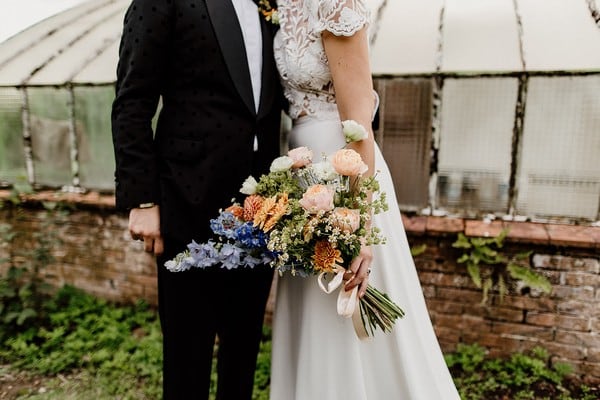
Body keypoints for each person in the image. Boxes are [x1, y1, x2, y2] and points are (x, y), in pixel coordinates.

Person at [269, 0, 462, 398]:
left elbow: (359, 123)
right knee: (313, 316)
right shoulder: (281, 4)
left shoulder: (336, 4)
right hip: (301, 174)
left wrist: (361, 223)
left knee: (346, 311)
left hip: (343, 173)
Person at [111, 0, 282, 398]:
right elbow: (131, 102)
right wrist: (143, 199)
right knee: (188, 357)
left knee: (243, 351)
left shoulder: (271, 5)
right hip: (187, 203)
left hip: (264, 211)